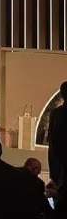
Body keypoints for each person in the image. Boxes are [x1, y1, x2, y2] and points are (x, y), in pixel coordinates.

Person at [49, 80, 67, 216]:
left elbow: (53, 144)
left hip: (60, 167)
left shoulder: (56, 113)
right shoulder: (56, 114)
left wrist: (54, 173)